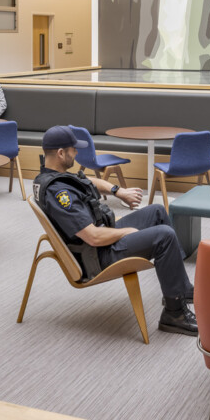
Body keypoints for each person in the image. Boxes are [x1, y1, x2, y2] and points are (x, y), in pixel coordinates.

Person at [33, 125, 197, 335]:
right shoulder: (59, 193)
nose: (77, 153)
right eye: (73, 149)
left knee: (156, 211)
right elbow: (92, 237)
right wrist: (125, 232)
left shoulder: (52, 176)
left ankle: (179, 289)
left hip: (104, 234)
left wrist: (118, 191)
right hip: (98, 254)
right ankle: (174, 315)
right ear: (61, 153)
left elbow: (87, 180)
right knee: (164, 236)